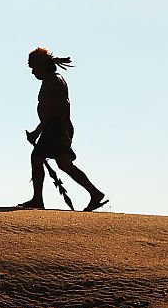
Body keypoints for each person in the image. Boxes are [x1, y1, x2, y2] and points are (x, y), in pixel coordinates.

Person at [20, 47, 107, 212]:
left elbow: (63, 109)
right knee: (63, 164)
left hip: (57, 128)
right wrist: (37, 132)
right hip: (53, 128)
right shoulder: (49, 81)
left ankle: (38, 199)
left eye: (34, 68)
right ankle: (95, 193)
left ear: (42, 66)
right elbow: (49, 114)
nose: (32, 72)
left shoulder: (55, 81)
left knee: (38, 157)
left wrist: (64, 133)